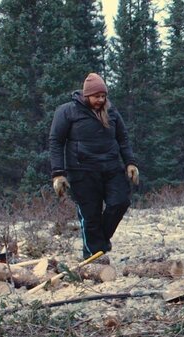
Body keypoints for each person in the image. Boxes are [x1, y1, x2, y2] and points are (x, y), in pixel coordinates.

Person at [48, 73, 139, 262]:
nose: (101, 100)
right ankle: (93, 257)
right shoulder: (67, 111)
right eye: (97, 96)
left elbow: (123, 138)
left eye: (103, 96)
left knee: (120, 202)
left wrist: (130, 162)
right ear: (86, 95)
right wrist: (58, 173)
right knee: (90, 215)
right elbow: (56, 141)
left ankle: (100, 242)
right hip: (82, 171)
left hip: (111, 168)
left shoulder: (111, 111)